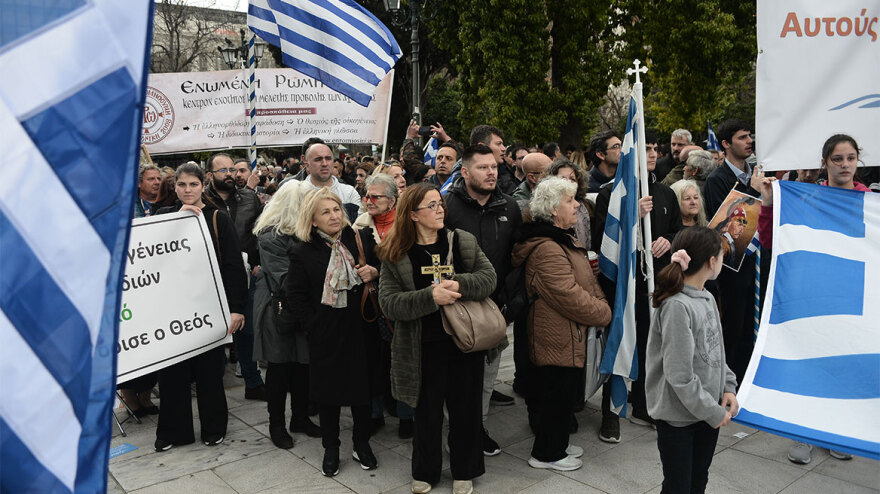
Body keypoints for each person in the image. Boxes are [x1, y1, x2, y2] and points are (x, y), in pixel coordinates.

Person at [376, 183, 497, 494]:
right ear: (413, 215)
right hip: (421, 346)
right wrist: (431, 296)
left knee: (465, 410)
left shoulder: (462, 241)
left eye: (440, 203)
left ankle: (464, 471)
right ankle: (426, 472)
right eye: (431, 205)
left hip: (464, 341)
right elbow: (388, 303)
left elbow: (489, 279)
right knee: (427, 413)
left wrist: (455, 285)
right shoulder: (396, 252)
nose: (440, 209)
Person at [755, 133, 867, 465]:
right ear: (824, 163)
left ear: (858, 160)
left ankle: (836, 431)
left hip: (852, 293)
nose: (844, 165)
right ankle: (802, 432)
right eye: (837, 159)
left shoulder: (870, 202)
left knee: (843, 364)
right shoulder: (807, 198)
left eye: (850, 158)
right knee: (810, 359)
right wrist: (767, 203)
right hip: (812, 292)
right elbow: (770, 239)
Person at [511, 177, 612, 472]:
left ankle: (558, 444)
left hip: (568, 332)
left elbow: (586, 280)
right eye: (570, 200)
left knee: (562, 396)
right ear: (554, 209)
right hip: (556, 335)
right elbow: (567, 295)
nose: (577, 204)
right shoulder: (547, 247)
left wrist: (598, 301)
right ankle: (546, 454)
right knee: (555, 398)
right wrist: (603, 311)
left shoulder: (562, 238)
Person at [592, 130, 681, 441]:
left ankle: (643, 403)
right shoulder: (610, 194)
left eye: (655, 148)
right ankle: (611, 412)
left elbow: (677, 230)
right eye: (646, 148)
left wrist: (667, 241)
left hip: (654, 282)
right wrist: (632, 216)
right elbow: (602, 240)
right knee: (619, 343)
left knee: (649, 344)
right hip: (621, 285)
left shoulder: (666, 193)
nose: (653, 154)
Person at [153, 163, 248, 452]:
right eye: (181, 185)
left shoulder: (218, 217)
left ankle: (213, 427)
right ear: (175, 186)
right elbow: (153, 259)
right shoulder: (163, 216)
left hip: (209, 306)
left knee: (209, 373)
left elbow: (233, 266)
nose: (187, 191)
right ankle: (173, 431)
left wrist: (237, 308)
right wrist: (178, 221)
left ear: (202, 184)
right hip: (173, 309)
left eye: (193, 185)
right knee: (172, 373)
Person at [286, 188, 380, 476]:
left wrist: (373, 272)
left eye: (337, 209)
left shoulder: (360, 239)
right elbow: (296, 293)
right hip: (326, 333)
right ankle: (331, 447)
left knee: (363, 392)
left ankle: (361, 443)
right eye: (326, 212)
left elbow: (380, 267)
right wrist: (313, 325)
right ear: (312, 220)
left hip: (361, 329)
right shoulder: (303, 250)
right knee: (328, 396)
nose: (334, 216)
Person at [444, 144, 523, 456]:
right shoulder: (447, 205)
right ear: (465, 172)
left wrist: (509, 301)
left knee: (488, 377)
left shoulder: (510, 207)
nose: (492, 172)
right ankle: (458, 432)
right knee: (458, 377)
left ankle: (477, 429)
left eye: (494, 166)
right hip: (456, 307)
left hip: (494, 309)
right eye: (483, 167)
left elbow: (517, 257)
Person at [647, 226, 739, 494]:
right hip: (679, 421)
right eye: (721, 256)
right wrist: (713, 412)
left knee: (698, 481)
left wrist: (727, 388)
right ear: (712, 262)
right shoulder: (677, 306)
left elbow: (716, 351)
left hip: (706, 414)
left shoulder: (707, 297)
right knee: (678, 487)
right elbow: (679, 375)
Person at [252, 181, 321, 450]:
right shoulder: (270, 235)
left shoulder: (306, 233)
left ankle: (300, 418)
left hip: (300, 308)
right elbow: (286, 279)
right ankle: (277, 425)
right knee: (280, 369)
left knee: (303, 366)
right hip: (277, 309)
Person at [352, 174, 415, 438]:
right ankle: (376, 413)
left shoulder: (407, 228)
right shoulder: (358, 228)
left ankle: (406, 416)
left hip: (401, 304)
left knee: (402, 360)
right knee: (373, 361)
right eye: (367, 196)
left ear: (392, 200)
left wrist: (377, 271)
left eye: (376, 196)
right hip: (371, 307)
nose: (369, 201)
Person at [702, 118, 759, 384]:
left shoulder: (757, 172)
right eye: (742, 137)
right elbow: (723, 223)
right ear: (725, 144)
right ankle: (729, 382)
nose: (749, 141)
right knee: (735, 326)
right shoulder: (717, 179)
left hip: (759, 260)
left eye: (750, 136)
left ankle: (749, 378)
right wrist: (752, 191)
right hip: (733, 265)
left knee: (753, 324)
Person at [205, 153, 266, 400]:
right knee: (214, 334)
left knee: (247, 329)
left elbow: (263, 230)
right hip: (211, 278)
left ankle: (253, 382)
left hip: (246, 276)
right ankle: (212, 387)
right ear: (210, 175)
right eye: (223, 171)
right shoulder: (200, 201)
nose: (230, 174)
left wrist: (259, 262)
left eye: (232, 169)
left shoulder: (251, 198)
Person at [301, 143, 361, 222]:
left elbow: (358, 224)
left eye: (328, 158)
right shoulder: (296, 193)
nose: (324, 164)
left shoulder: (349, 192)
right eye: (318, 159)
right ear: (307, 164)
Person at [470, 124, 517, 194]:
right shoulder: (459, 182)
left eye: (503, 144)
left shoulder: (507, 178)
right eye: (498, 144)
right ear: (481, 146)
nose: (504, 149)